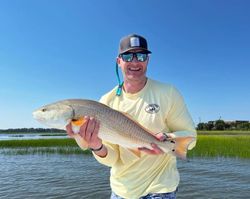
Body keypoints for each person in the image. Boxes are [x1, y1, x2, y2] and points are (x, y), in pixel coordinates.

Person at [66, 34, 197, 199]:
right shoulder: (106, 101)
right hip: (121, 191)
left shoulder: (168, 93)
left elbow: (190, 139)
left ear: (147, 60)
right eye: (128, 56)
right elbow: (113, 159)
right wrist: (96, 146)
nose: (135, 62)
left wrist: (166, 138)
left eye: (141, 56)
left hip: (160, 189)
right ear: (119, 61)